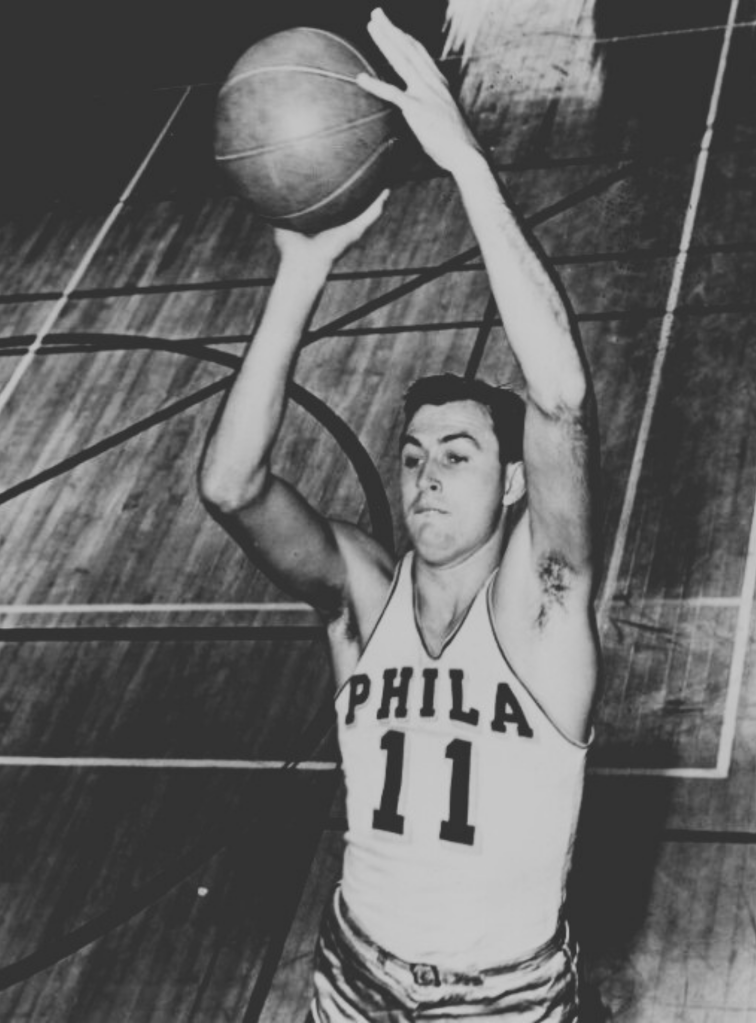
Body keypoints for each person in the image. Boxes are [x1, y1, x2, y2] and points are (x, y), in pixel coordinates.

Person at [199, 8, 601, 1021]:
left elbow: (559, 399)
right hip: (353, 980)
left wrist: (466, 165)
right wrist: (300, 273)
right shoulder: (360, 599)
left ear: (514, 484)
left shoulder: (542, 608)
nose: (424, 476)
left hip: (501, 1003)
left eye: (458, 456)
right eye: (413, 456)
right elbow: (232, 488)